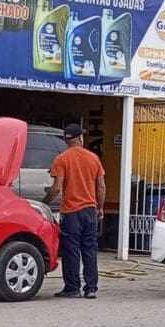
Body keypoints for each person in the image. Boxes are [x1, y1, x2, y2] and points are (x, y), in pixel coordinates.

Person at [44, 123, 105, 299]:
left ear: (66, 140)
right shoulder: (93, 158)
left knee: (71, 250)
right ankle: (91, 288)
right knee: (90, 249)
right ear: (80, 138)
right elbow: (101, 186)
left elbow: (56, 188)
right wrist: (99, 207)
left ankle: (72, 288)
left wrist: (45, 203)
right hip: (90, 211)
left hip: (71, 212)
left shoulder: (61, 159)